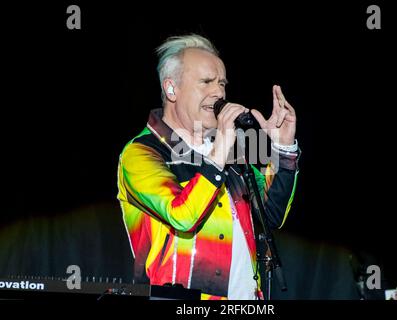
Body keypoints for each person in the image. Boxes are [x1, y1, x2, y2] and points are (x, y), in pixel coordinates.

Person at [117, 34, 300, 300]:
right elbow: (182, 216)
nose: (219, 93)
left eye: (222, 83)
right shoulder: (141, 152)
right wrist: (218, 155)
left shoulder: (230, 151)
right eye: (206, 82)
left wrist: (283, 150)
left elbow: (270, 216)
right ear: (172, 89)